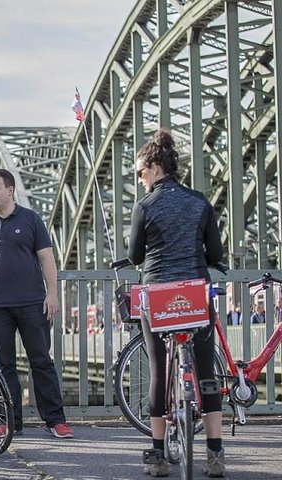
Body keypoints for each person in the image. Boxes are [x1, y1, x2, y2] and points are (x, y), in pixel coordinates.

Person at [128, 129, 225, 477]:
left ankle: (157, 456)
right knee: (206, 372)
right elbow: (215, 253)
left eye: (140, 173)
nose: (139, 180)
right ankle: (214, 455)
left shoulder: (145, 206)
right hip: (196, 294)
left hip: (158, 296)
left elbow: (135, 255)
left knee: (159, 371)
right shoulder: (199, 201)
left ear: (154, 167)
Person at [0, 168, 74, 440]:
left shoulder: (31, 219)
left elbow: (46, 258)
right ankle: (9, 423)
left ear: (10, 190)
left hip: (33, 303)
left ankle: (55, 421)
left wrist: (53, 293)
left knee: (41, 362)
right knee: (2, 366)